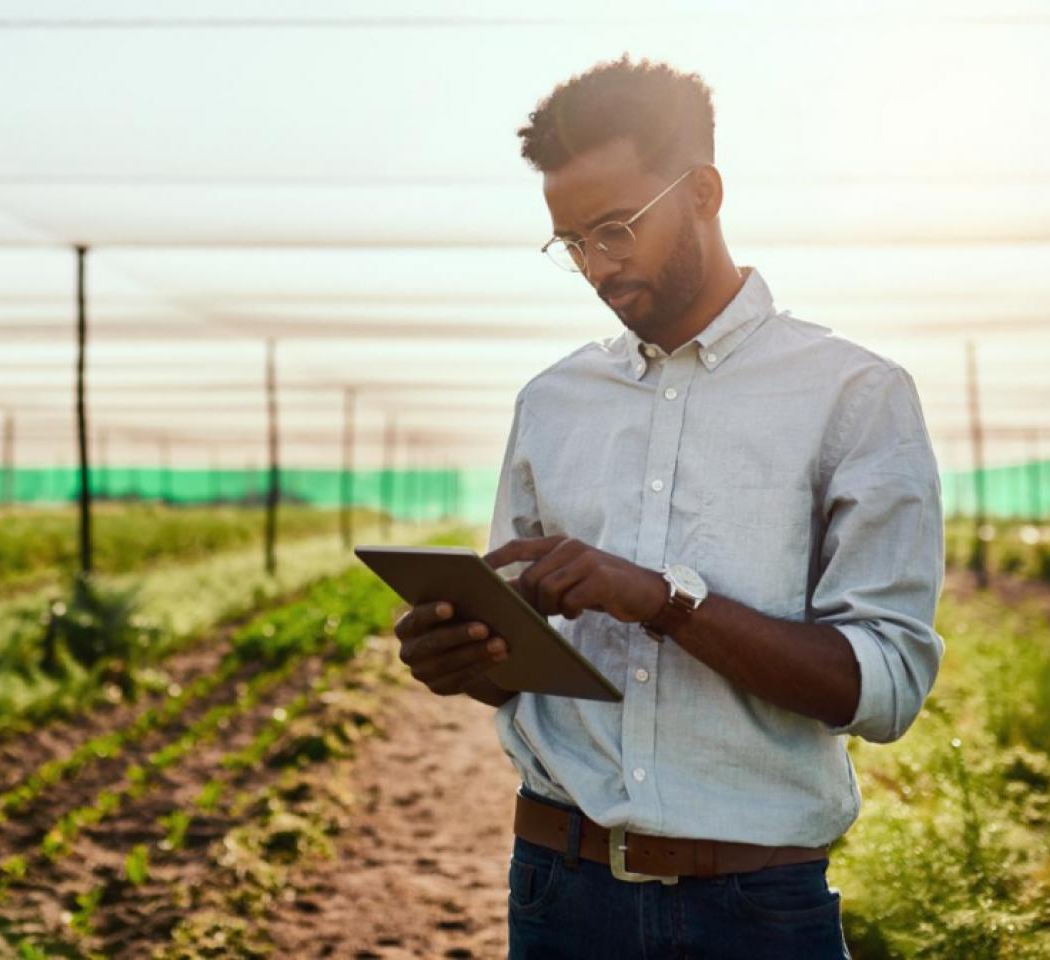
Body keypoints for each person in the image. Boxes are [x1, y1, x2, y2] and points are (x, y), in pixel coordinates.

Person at [392, 53, 944, 959]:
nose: (595, 269)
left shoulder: (855, 395)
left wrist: (661, 600)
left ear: (703, 191)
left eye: (614, 230)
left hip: (757, 912)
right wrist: (464, 657)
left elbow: (882, 688)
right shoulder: (552, 402)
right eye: (570, 244)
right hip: (555, 890)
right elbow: (520, 665)